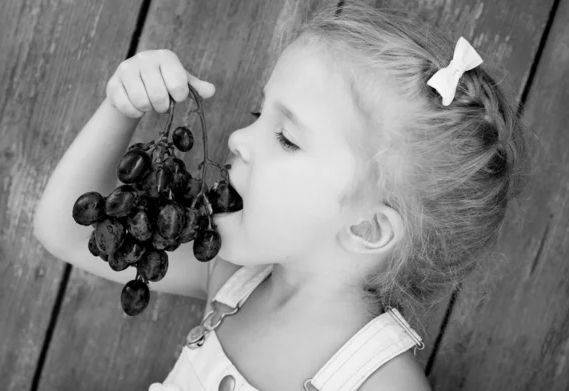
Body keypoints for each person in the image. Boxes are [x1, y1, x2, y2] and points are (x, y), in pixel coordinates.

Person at [33, 1, 532, 390]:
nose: (237, 140)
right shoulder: (231, 281)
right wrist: (121, 108)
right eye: (257, 114)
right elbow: (65, 231)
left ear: (366, 227)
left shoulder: (378, 382)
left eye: (287, 138)